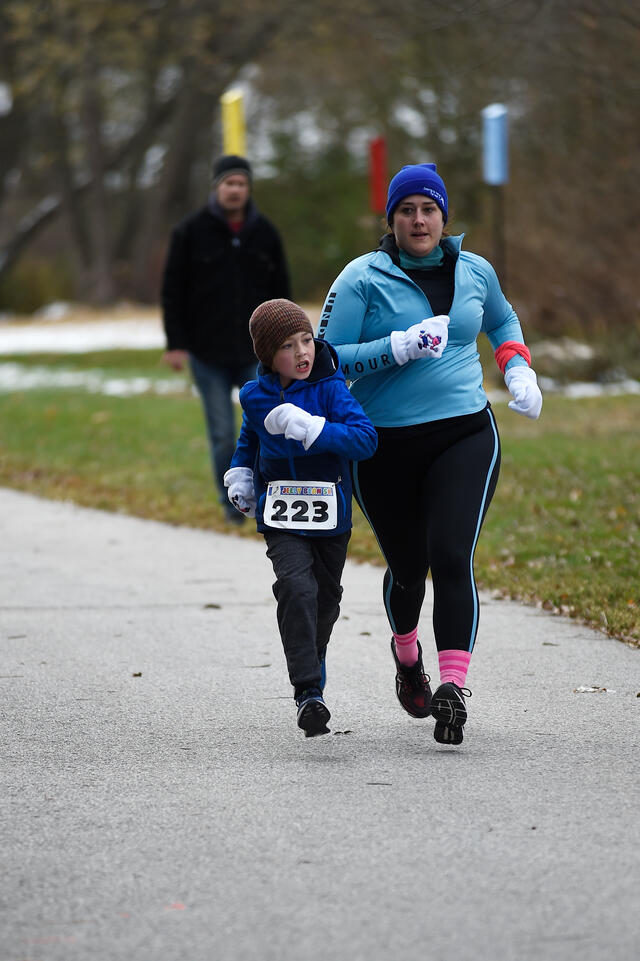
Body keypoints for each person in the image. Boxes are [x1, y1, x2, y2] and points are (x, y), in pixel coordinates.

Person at [317, 162, 542, 745]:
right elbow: (324, 359)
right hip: (382, 445)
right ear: (391, 218)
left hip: (464, 434)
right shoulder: (361, 277)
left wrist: (517, 368)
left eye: (429, 209)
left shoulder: (475, 270)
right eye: (407, 210)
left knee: (451, 554)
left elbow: (501, 318)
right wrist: (395, 348)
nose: (419, 220)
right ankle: (406, 651)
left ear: (444, 216)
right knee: (409, 571)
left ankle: (453, 688)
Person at [223, 299, 377, 737]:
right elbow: (250, 436)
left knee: (324, 602)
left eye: (307, 340)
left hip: (330, 515)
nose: (303, 352)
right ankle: (308, 692)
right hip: (281, 512)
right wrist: (241, 475)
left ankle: (314, 662)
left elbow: (366, 441)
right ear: (269, 356)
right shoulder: (254, 395)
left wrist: (313, 428)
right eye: (289, 346)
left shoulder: (331, 388)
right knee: (295, 586)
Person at [160, 154, 291, 524]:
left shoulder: (265, 233)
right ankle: (231, 504)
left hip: (257, 352)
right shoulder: (189, 232)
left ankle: (269, 498)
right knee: (221, 434)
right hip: (207, 352)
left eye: (241, 184)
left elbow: (282, 293)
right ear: (216, 188)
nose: (235, 190)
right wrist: (175, 343)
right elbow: (173, 291)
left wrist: (288, 343)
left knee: (269, 424)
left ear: (249, 189)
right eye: (228, 183)